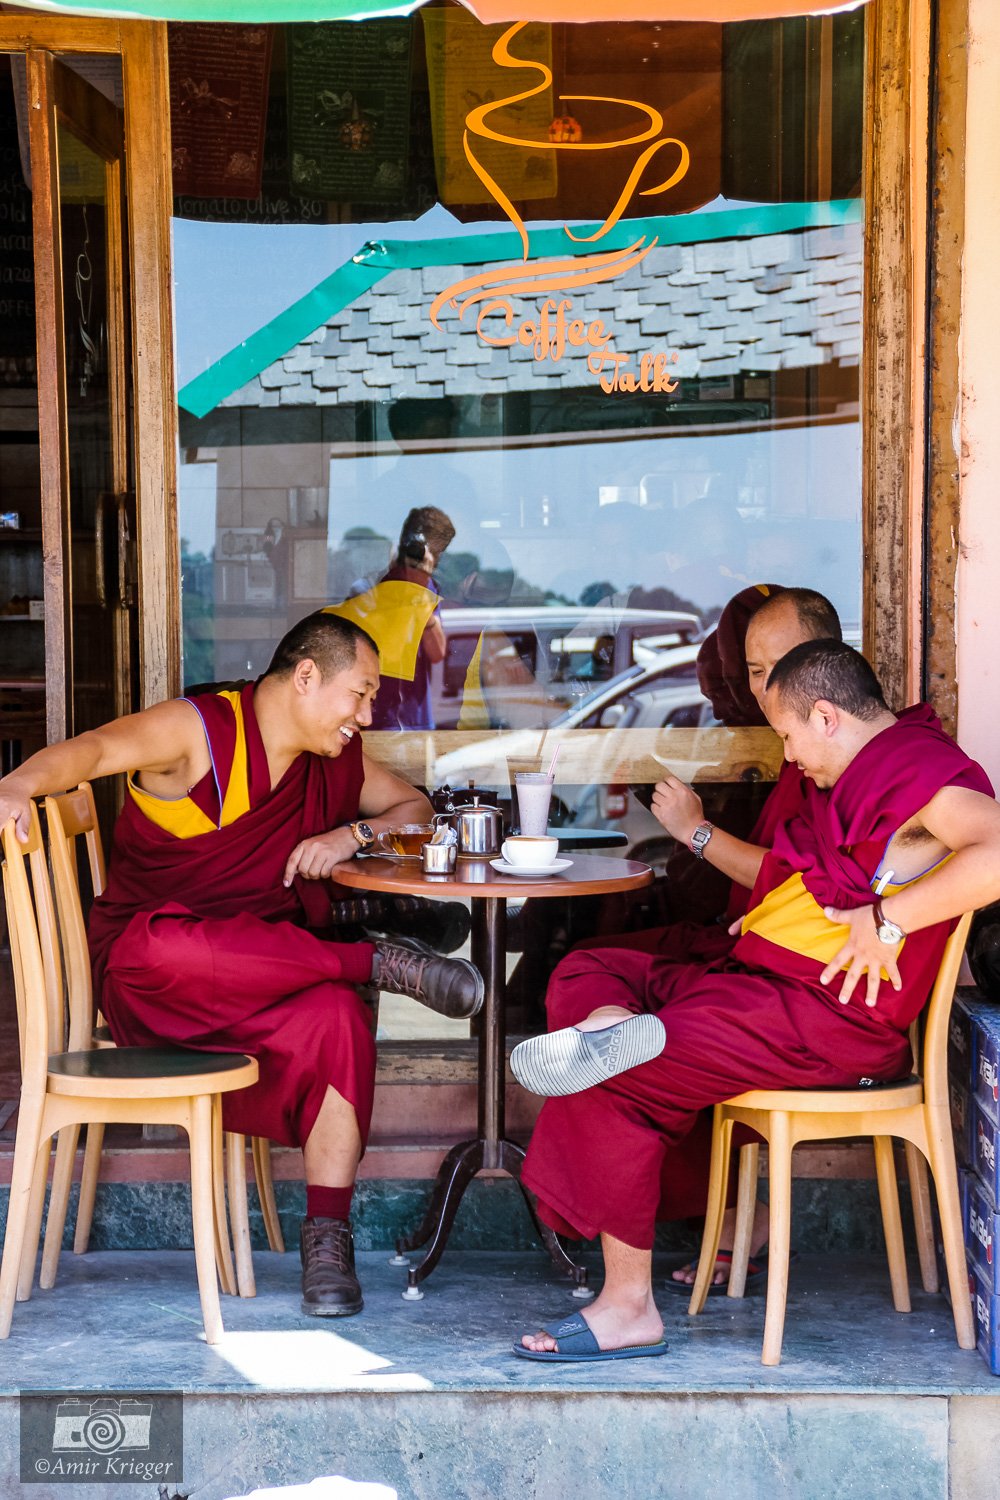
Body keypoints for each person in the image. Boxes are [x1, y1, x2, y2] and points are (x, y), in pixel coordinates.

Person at [509, 640, 1000, 1361]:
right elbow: (821, 873)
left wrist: (892, 921)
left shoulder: (919, 771)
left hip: (825, 1016)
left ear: (826, 717)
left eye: (789, 734)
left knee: (610, 1073)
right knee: (590, 967)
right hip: (755, 983)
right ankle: (613, 1023)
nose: (789, 754)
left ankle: (628, 1308)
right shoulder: (863, 771)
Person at [0, 611, 484, 1322]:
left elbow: (411, 805)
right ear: (308, 676)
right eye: (360, 694)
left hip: (265, 972)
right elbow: (90, 751)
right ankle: (370, 960)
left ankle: (327, 1235)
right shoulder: (197, 731)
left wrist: (349, 833)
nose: (368, 715)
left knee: (336, 1018)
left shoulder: (329, 764)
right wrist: (15, 783)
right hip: (165, 981)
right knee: (160, 944)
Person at [329, 506, 456, 732]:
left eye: (436, 554)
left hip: (415, 710)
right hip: (373, 710)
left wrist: (419, 600)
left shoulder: (428, 591)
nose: (426, 559)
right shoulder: (367, 589)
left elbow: (437, 653)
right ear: (399, 547)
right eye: (415, 549)